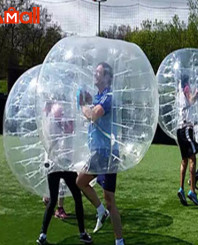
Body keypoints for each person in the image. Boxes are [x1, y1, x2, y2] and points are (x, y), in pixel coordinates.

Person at [76, 62, 124, 245]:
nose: (94, 75)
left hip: (106, 153)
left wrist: (83, 106)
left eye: (98, 73)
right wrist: (88, 100)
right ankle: (116, 236)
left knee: (82, 182)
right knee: (109, 198)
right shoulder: (100, 96)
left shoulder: (108, 96)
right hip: (100, 151)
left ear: (107, 78)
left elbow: (94, 114)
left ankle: (102, 212)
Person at [37, 103, 92, 245]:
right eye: (60, 114)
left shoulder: (50, 122)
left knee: (56, 199)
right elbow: (63, 136)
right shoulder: (54, 123)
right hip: (61, 163)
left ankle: (43, 234)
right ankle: (82, 233)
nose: (62, 116)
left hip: (56, 163)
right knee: (74, 197)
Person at [176, 74, 198, 206]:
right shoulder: (186, 89)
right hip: (186, 129)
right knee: (193, 159)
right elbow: (191, 100)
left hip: (180, 129)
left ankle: (181, 188)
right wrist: (196, 94)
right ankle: (192, 191)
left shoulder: (178, 93)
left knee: (184, 160)